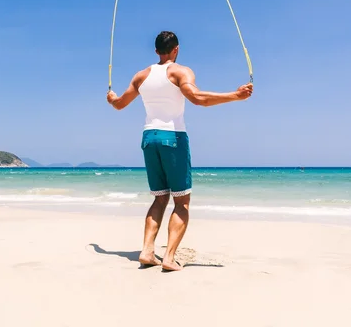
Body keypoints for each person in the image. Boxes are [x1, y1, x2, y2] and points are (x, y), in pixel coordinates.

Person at [106, 31, 253, 271]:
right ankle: (169, 258)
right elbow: (196, 98)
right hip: (173, 137)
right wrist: (235, 96)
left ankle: (147, 251)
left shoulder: (141, 76)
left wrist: (111, 98)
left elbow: (120, 104)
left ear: (156, 51)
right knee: (182, 202)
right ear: (176, 49)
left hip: (148, 138)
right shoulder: (180, 71)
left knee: (159, 197)